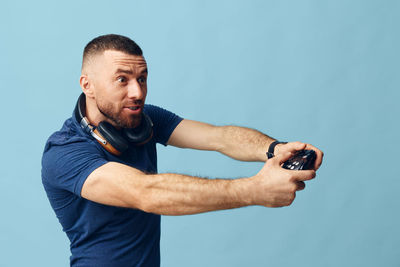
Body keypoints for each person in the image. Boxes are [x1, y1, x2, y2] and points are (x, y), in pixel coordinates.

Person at [41, 34, 323, 267]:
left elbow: (219, 137)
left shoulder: (143, 120)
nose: (138, 92)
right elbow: (146, 193)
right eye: (122, 80)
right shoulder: (64, 152)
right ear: (87, 85)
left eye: (142, 78)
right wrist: (254, 190)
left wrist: (275, 149)